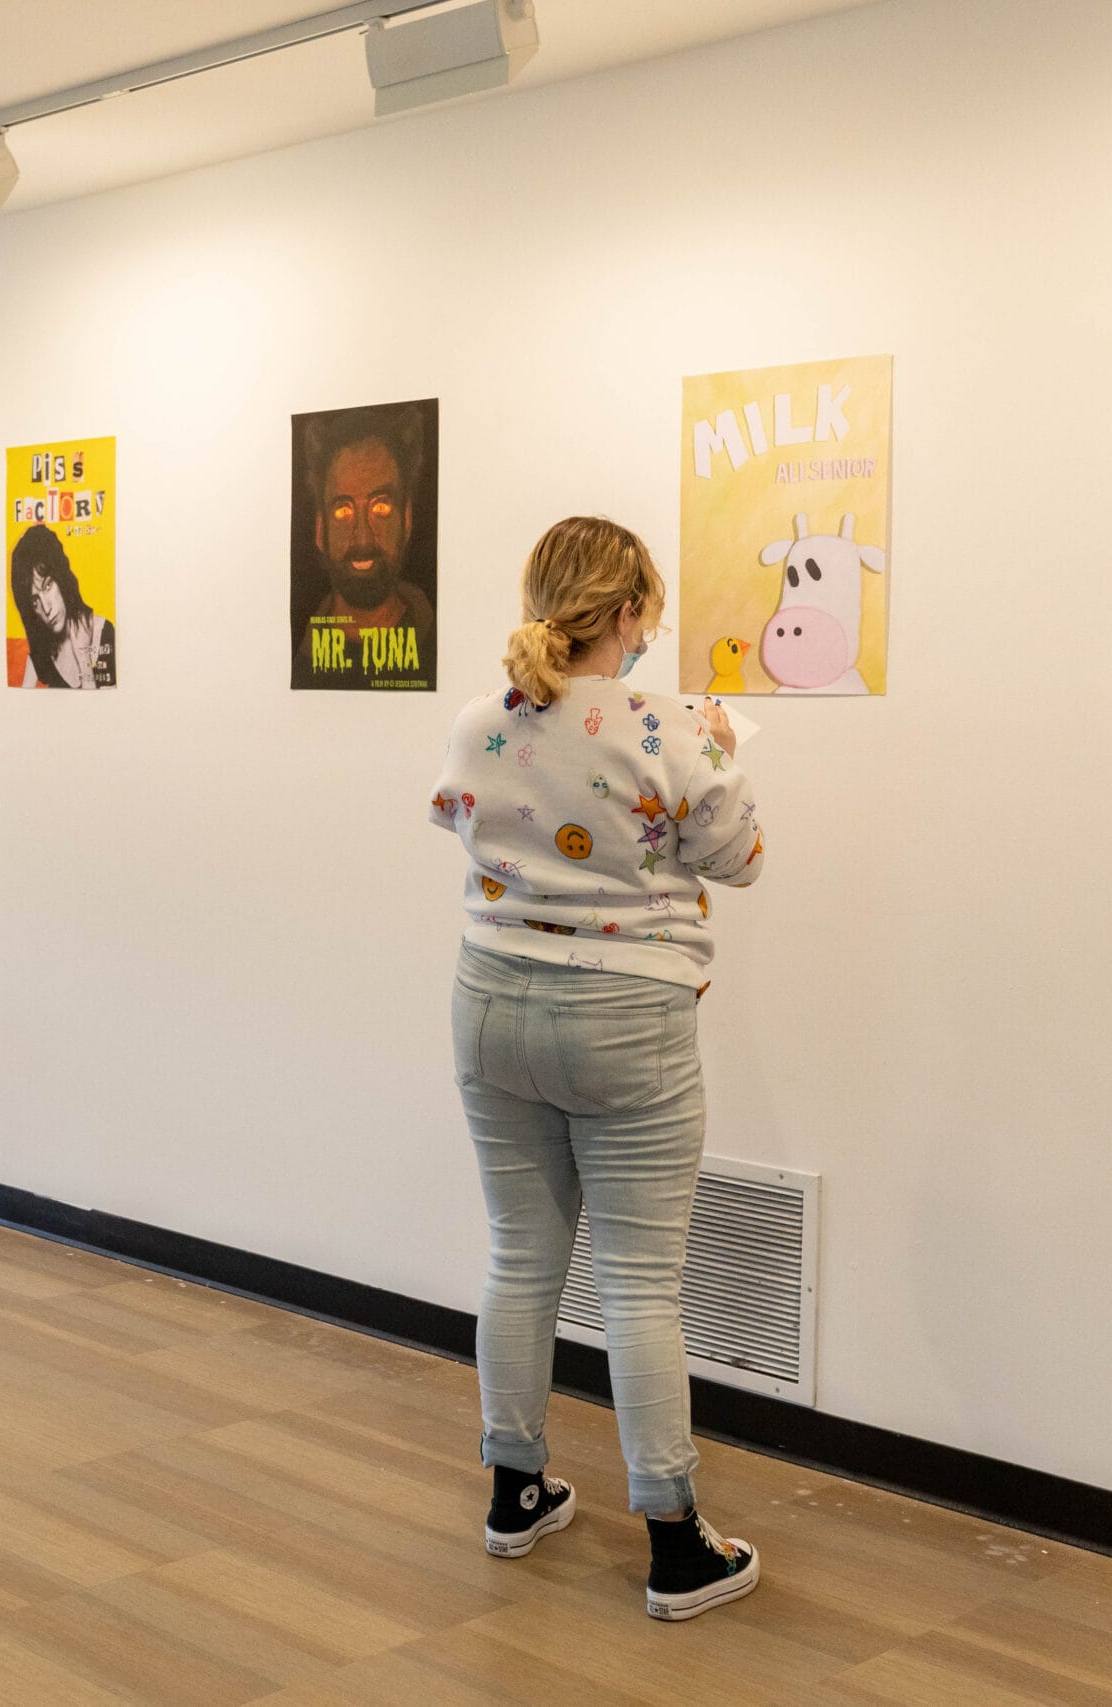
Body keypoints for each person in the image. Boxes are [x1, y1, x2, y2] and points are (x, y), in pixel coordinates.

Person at [426, 516, 766, 1622]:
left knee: (521, 1257)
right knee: (638, 1282)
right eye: (647, 615)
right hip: (626, 1017)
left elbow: (458, 821)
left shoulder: (483, 717)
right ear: (625, 612)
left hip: (488, 1004)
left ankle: (515, 1491)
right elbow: (740, 857)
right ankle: (674, 1545)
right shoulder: (671, 724)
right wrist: (716, 747)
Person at [294, 405, 436, 689]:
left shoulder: (436, 640)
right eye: (342, 511)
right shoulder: (302, 661)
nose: (362, 538)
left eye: (380, 507)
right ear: (321, 530)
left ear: (406, 519)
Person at [11, 523, 116, 689]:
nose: (46, 608)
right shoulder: (40, 657)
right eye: (35, 601)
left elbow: (103, 711)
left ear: (61, 577)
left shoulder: (104, 632)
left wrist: (83, 656)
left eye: (47, 586)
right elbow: (17, 710)